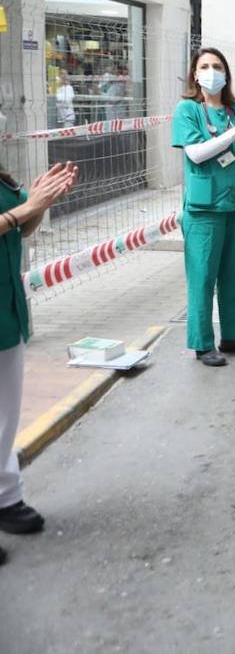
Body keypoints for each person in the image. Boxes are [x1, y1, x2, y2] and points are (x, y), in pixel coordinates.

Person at [0, 160, 79, 562]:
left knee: (5, 416)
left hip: (6, 310)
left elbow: (23, 228)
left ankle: (6, 496)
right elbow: (16, 218)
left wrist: (39, 203)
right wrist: (23, 210)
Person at [172, 47, 235, 367]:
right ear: (195, 75)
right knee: (202, 276)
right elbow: (196, 153)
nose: (212, 72)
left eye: (217, 66)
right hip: (204, 207)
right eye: (205, 67)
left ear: (226, 74)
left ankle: (234, 335)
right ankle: (201, 342)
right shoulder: (188, 110)